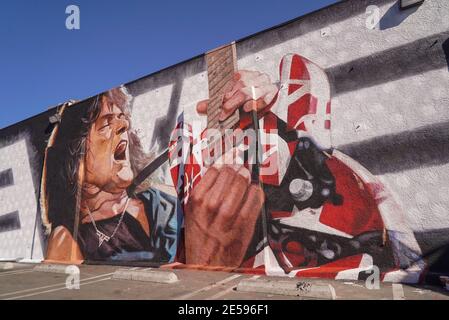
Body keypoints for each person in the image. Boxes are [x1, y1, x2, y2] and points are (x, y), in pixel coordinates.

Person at [42, 88, 181, 263]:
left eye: (123, 118)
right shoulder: (68, 239)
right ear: (76, 157)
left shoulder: (164, 202)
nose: (124, 125)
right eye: (106, 123)